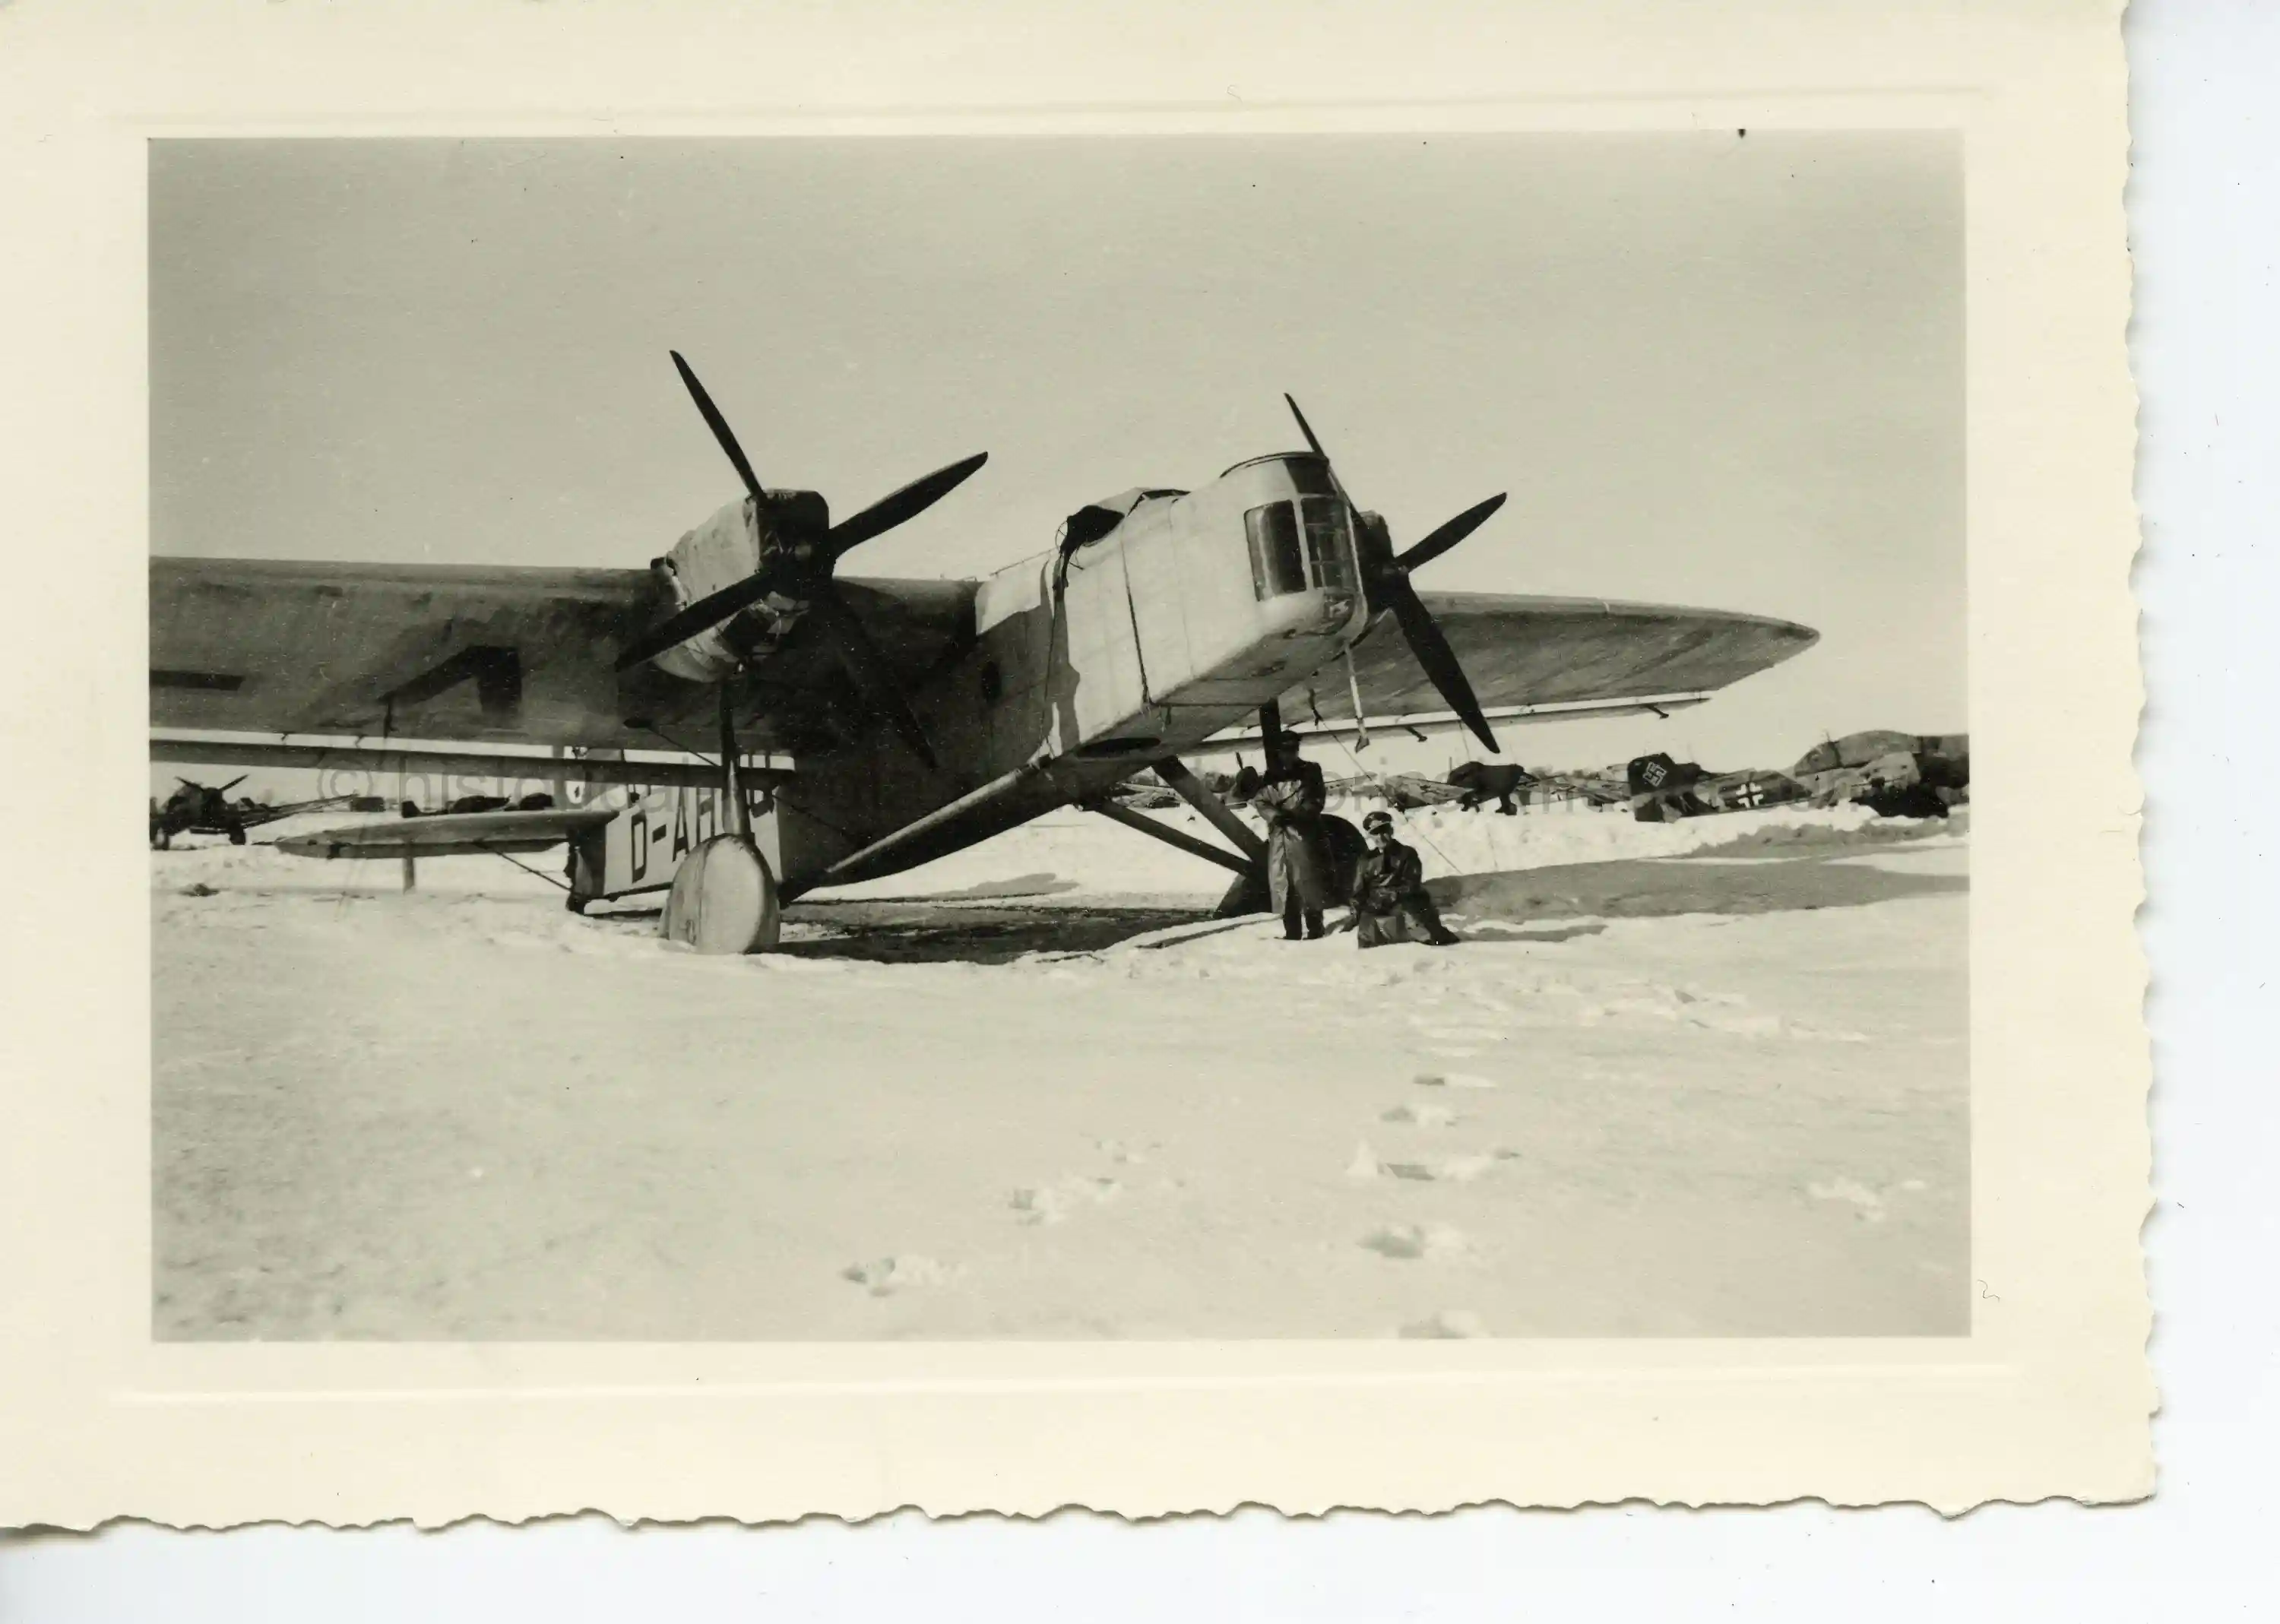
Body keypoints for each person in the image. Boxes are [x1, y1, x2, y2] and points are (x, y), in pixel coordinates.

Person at [1251, 735, 1333, 940]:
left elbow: (1316, 799)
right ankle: (1292, 931)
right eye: (1284, 750)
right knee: (1284, 886)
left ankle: (1316, 928)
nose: (1289, 754)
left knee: (1308, 883)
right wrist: (1275, 816)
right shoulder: (1270, 777)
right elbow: (1261, 800)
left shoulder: (1311, 771)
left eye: (1292, 750)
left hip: (1304, 836)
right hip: (1280, 839)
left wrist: (1296, 815)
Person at [1347, 809, 1460, 948]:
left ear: (1391, 831)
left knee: (1423, 929)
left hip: (1406, 905)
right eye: (1375, 833)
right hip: (1379, 908)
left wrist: (1391, 895)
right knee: (1367, 937)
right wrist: (1356, 908)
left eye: (1384, 831)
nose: (1381, 837)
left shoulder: (1407, 854)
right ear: (1370, 836)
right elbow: (1359, 891)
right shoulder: (1366, 860)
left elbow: (1412, 884)